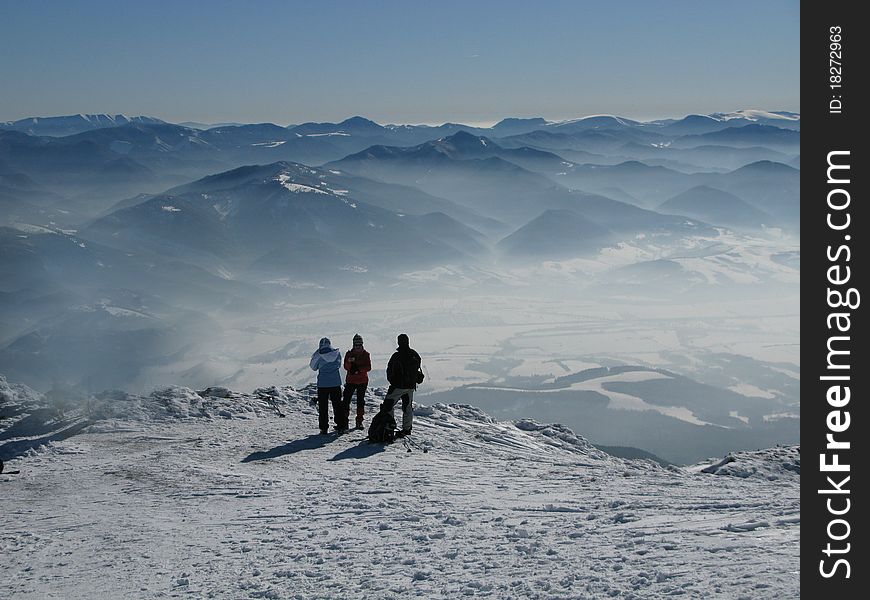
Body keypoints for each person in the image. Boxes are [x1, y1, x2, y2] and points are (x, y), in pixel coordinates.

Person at [383, 333, 422, 438]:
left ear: (398, 342)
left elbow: (390, 371)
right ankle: (407, 429)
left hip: (398, 386)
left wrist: (393, 382)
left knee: (388, 405)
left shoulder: (396, 356)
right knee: (407, 407)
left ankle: (389, 427)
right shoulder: (414, 354)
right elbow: (418, 368)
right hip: (410, 387)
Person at [309, 337, 344, 434]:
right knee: (337, 405)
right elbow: (339, 365)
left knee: (323, 407)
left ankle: (324, 428)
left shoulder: (318, 355)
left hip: (323, 384)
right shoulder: (336, 353)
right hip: (335, 383)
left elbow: (313, 367)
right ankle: (341, 425)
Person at [343, 333, 372, 429]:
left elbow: (368, 367)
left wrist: (358, 369)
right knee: (346, 401)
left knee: (360, 401)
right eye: (356, 345)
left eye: (359, 345)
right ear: (353, 345)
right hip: (352, 380)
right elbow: (346, 367)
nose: (358, 347)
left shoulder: (366, 354)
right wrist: (349, 362)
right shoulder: (349, 354)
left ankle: (359, 420)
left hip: (362, 381)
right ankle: (345, 420)